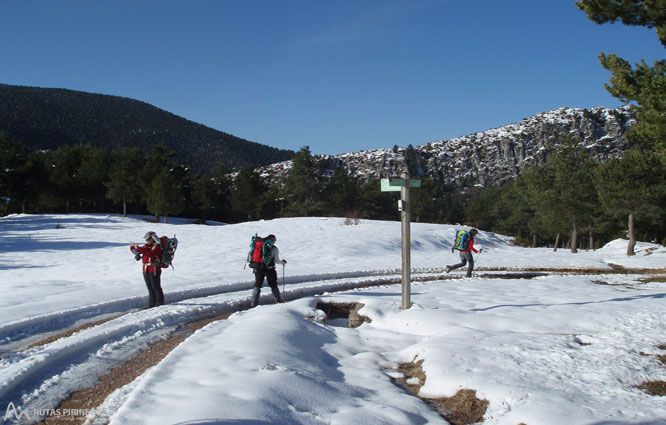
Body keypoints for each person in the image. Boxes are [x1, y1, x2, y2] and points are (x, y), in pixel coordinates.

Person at [131, 231, 166, 308]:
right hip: (146, 268)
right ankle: (151, 304)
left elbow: (150, 254)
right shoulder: (147, 246)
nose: (146, 241)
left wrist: (138, 248)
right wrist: (134, 249)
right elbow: (140, 250)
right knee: (149, 287)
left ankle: (159, 303)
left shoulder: (157, 247)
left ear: (153, 238)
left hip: (154, 268)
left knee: (155, 286)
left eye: (148, 239)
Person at [251, 234, 287, 307]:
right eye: (275, 240)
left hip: (258, 267)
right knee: (273, 285)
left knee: (257, 285)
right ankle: (278, 300)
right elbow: (276, 260)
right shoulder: (274, 248)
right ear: (272, 240)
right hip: (269, 269)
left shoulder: (258, 246)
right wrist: (282, 262)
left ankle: (254, 302)